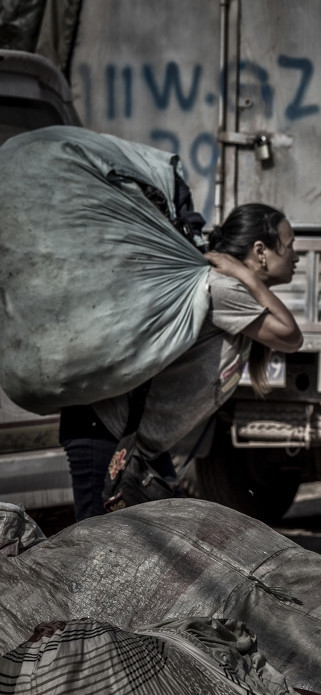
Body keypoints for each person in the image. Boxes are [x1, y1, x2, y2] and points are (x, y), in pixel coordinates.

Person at [59, 203, 303, 521]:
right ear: (260, 250)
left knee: (158, 549)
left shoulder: (233, 290)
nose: (296, 256)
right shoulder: (222, 287)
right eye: (290, 245)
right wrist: (244, 274)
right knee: (97, 550)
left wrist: (247, 278)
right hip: (107, 430)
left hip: (140, 447)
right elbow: (290, 336)